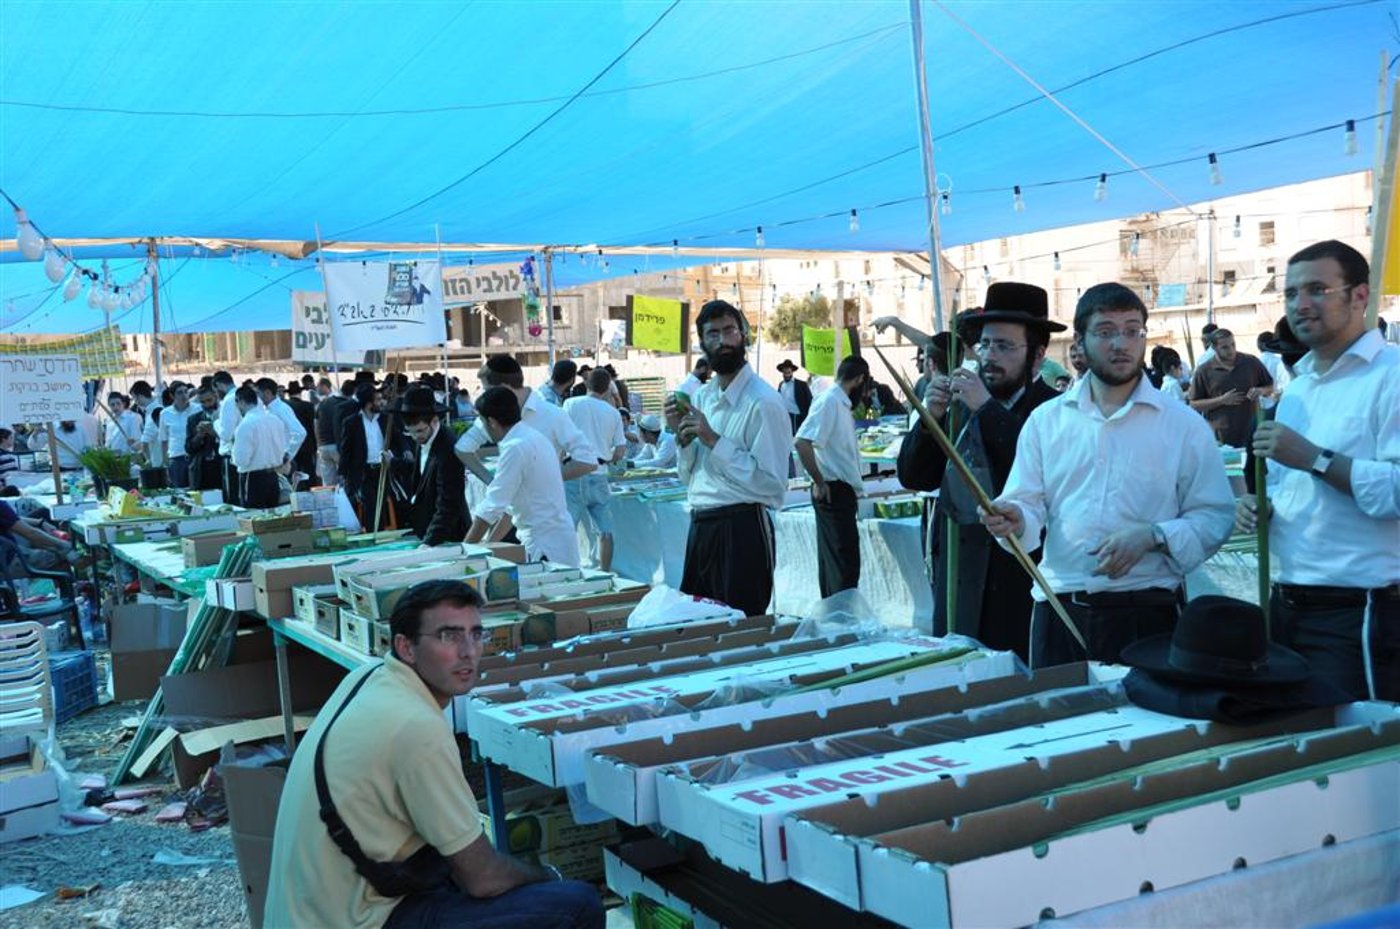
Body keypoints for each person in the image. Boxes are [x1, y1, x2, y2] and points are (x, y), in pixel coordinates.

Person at [264, 580, 604, 929]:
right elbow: (483, 878)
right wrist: (547, 876)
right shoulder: (416, 728)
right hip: (355, 920)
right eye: (448, 636)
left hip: (303, 914)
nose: (468, 651)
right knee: (577, 905)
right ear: (406, 647)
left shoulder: (369, 676)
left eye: (476, 634)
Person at [981, 283, 1235, 668]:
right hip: (1061, 608)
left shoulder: (1183, 425)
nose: (1121, 343)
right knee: (1058, 708)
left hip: (1148, 612)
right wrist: (1015, 519)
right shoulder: (1046, 421)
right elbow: (1026, 505)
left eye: (1133, 331)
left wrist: (1154, 536)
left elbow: (1215, 517)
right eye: (1105, 332)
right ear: (1079, 344)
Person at [1235, 240, 1399, 702]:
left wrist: (1314, 458)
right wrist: (1261, 507)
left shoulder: (1392, 375)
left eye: (1317, 290)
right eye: (1290, 293)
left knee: (1360, 741)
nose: (1300, 304)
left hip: (1360, 611)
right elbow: (1293, 489)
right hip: (1287, 603)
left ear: (1360, 295)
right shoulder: (1299, 389)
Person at [896, 282, 1064, 658]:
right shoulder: (960, 406)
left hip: (1019, 586)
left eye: (1004, 346)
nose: (990, 357)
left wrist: (987, 410)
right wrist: (931, 418)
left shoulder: (1056, 411)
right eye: (985, 344)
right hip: (960, 579)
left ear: (1037, 356)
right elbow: (914, 476)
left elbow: (1040, 471)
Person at [667, 300, 792, 617]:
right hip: (701, 526)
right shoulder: (702, 397)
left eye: (729, 331)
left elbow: (772, 485)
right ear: (701, 342)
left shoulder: (764, 402)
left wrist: (713, 440)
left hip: (743, 529)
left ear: (743, 336)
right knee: (698, 628)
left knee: (742, 629)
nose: (722, 341)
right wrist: (683, 440)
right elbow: (689, 477)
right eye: (713, 334)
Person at [464, 388, 580, 566]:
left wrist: (465, 552)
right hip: (556, 538)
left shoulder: (515, 447)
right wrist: (488, 544)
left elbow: (492, 506)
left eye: (481, 421)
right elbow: (510, 508)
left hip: (543, 545)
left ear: (492, 422)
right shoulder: (534, 437)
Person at [454, 355, 595, 487]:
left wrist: (547, 477)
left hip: (545, 503)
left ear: (503, 387)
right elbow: (463, 448)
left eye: (487, 390)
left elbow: (587, 460)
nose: (485, 396)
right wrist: (492, 483)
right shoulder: (493, 417)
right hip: (509, 504)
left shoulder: (553, 414)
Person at [795, 356, 869, 598]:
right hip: (833, 490)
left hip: (841, 490)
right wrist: (819, 481)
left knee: (841, 564)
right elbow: (802, 442)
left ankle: (837, 614)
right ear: (859, 380)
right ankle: (839, 615)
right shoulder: (829, 401)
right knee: (842, 566)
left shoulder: (839, 402)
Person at [563, 368, 625, 571]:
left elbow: (561, 437)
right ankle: (605, 571)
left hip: (574, 470)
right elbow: (620, 450)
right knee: (605, 529)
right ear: (607, 388)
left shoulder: (571, 404)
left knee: (568, 527)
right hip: (599, 472)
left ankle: (568, 570)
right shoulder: (613, 413)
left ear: (586, 384)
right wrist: (606, 458)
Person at [397, 386, 469, 548]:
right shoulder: (425, 437)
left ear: (435, 421)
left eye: (419, 431)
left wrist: (431, 541)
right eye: (410, 432)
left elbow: (449, 503)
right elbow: (422, 474)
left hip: (449, 536)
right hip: (427, 529)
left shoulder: (449, 448)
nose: (415, 437)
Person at [1188, 328, 1273, 448]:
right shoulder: (1204, 371)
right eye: (1225, 347)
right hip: (1222, 439)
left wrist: (1260, 391)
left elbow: (1270, 386)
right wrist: (1221, 400)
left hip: (1253, 433)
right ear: (1214, 348)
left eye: (1233, 344)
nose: (1231, 350)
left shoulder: (1251, 362)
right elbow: (1194, 404)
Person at [340, 384, 394, 529]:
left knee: (382, 504)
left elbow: (397, 439)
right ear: (369, 403)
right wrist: (343, 474)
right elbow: (346, 449)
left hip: (383, 469)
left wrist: (404, 451)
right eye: (378, 400)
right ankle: (373, 532)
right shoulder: (352, 422)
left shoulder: (386, 419)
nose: (381, 402)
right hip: (364, 471)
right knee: (370, 505)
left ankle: (381, 532)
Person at [231, 385, 288, 509]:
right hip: (273, 476)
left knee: (253, 516)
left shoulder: (245, 425)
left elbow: (241, 460)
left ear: (240, 401)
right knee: (274, 515)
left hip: (253, 478)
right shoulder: (275, 420)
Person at [256, 377, 309, 471]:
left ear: (267, 393)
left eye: (258, 393)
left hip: (280, 463)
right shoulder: (268, 410)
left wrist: (287, 454)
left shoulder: (281, 409)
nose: (256, 397)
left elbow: (300, 432)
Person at [315, 380, 356, 488]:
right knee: (345, 482)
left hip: (323, 446)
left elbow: (316, 424)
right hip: (339, 446)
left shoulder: (323, 403)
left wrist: (319, 444)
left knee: (328, 485)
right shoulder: (348, 405)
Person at [184, 386, 224, 492]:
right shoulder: (194, 419)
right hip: (202, 470)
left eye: (209, 400)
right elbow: (189, 448)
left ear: (216, 397)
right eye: (203, 402)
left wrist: (214, 432)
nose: (207, 404)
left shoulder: (225, 417)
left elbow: (231, 440)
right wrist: (199, 435)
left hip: (222, 467)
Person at [156, 384, 197, 488]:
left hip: (195, 456)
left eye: (186, 391)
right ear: (172, 396)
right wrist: (166, 463)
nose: (184, 395)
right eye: (180, 392)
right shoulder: (165, 413)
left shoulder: (198, 409)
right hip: (176, 458)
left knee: (198, 490)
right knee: (180, 491)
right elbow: (164, 440)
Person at [212, 370, 242, 505]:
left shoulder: (228, 400)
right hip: (245, 453)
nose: (216, 395)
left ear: (219, 385)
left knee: (232, 498)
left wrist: (216, 422)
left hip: (231, 455)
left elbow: (226, 435)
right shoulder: (244, 396)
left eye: (215, 391)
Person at [284, 381, 318, 486]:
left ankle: (297, 488)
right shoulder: (308, 406)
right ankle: (309, 487)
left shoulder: (286, 406)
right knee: (309, 469)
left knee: (294, 470)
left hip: (291, 443)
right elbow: (313, 426)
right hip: (308, 443)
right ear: (300, 392)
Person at [776, 360, 814, 434]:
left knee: (796, 437)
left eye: (788, 372)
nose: (787, 375)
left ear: (792, 372)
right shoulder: (781, 385)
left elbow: (810, 401)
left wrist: (809, 418)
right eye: (785, 372)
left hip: (797, 417)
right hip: (785, 416)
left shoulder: (801, 385)